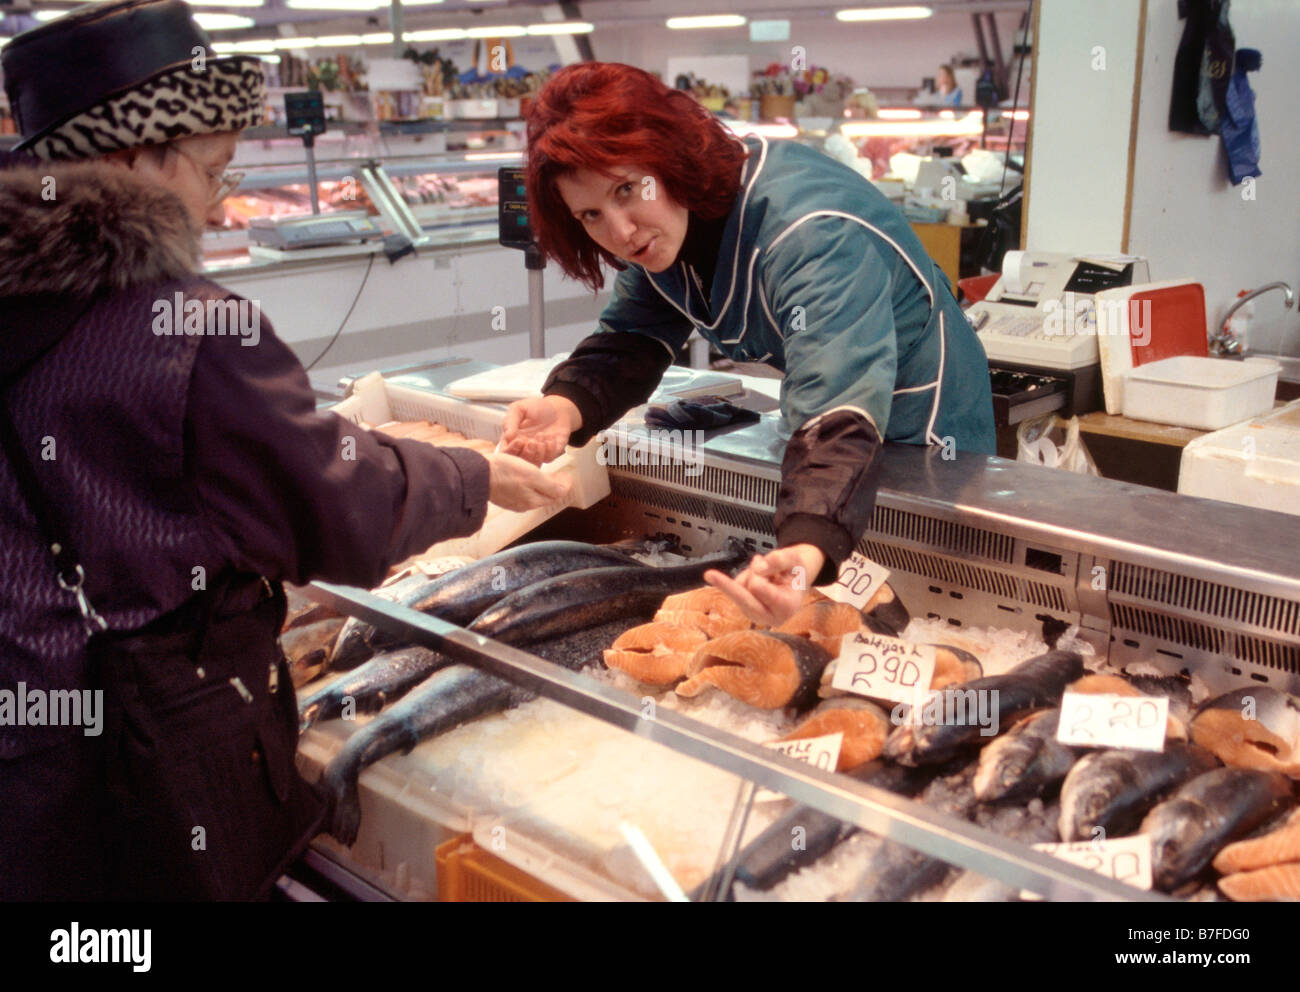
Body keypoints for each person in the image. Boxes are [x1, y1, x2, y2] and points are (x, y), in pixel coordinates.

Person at [0, 0, 565, 901]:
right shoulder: (184, 325)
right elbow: (335, 506)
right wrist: (472, 473)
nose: (219, 199)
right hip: (136, 757)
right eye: (213, 169)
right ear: (128, 156)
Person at [501, 63, 994, 629]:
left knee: (934, 600)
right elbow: (633, 334)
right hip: (828, 429)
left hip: (925, 419)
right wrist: (562, 407)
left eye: (627, 190)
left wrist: (806, 549)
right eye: (591, 214)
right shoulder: (667, 228)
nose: (619, 231)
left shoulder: (806, 230)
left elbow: (835, 402)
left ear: (669, 159)